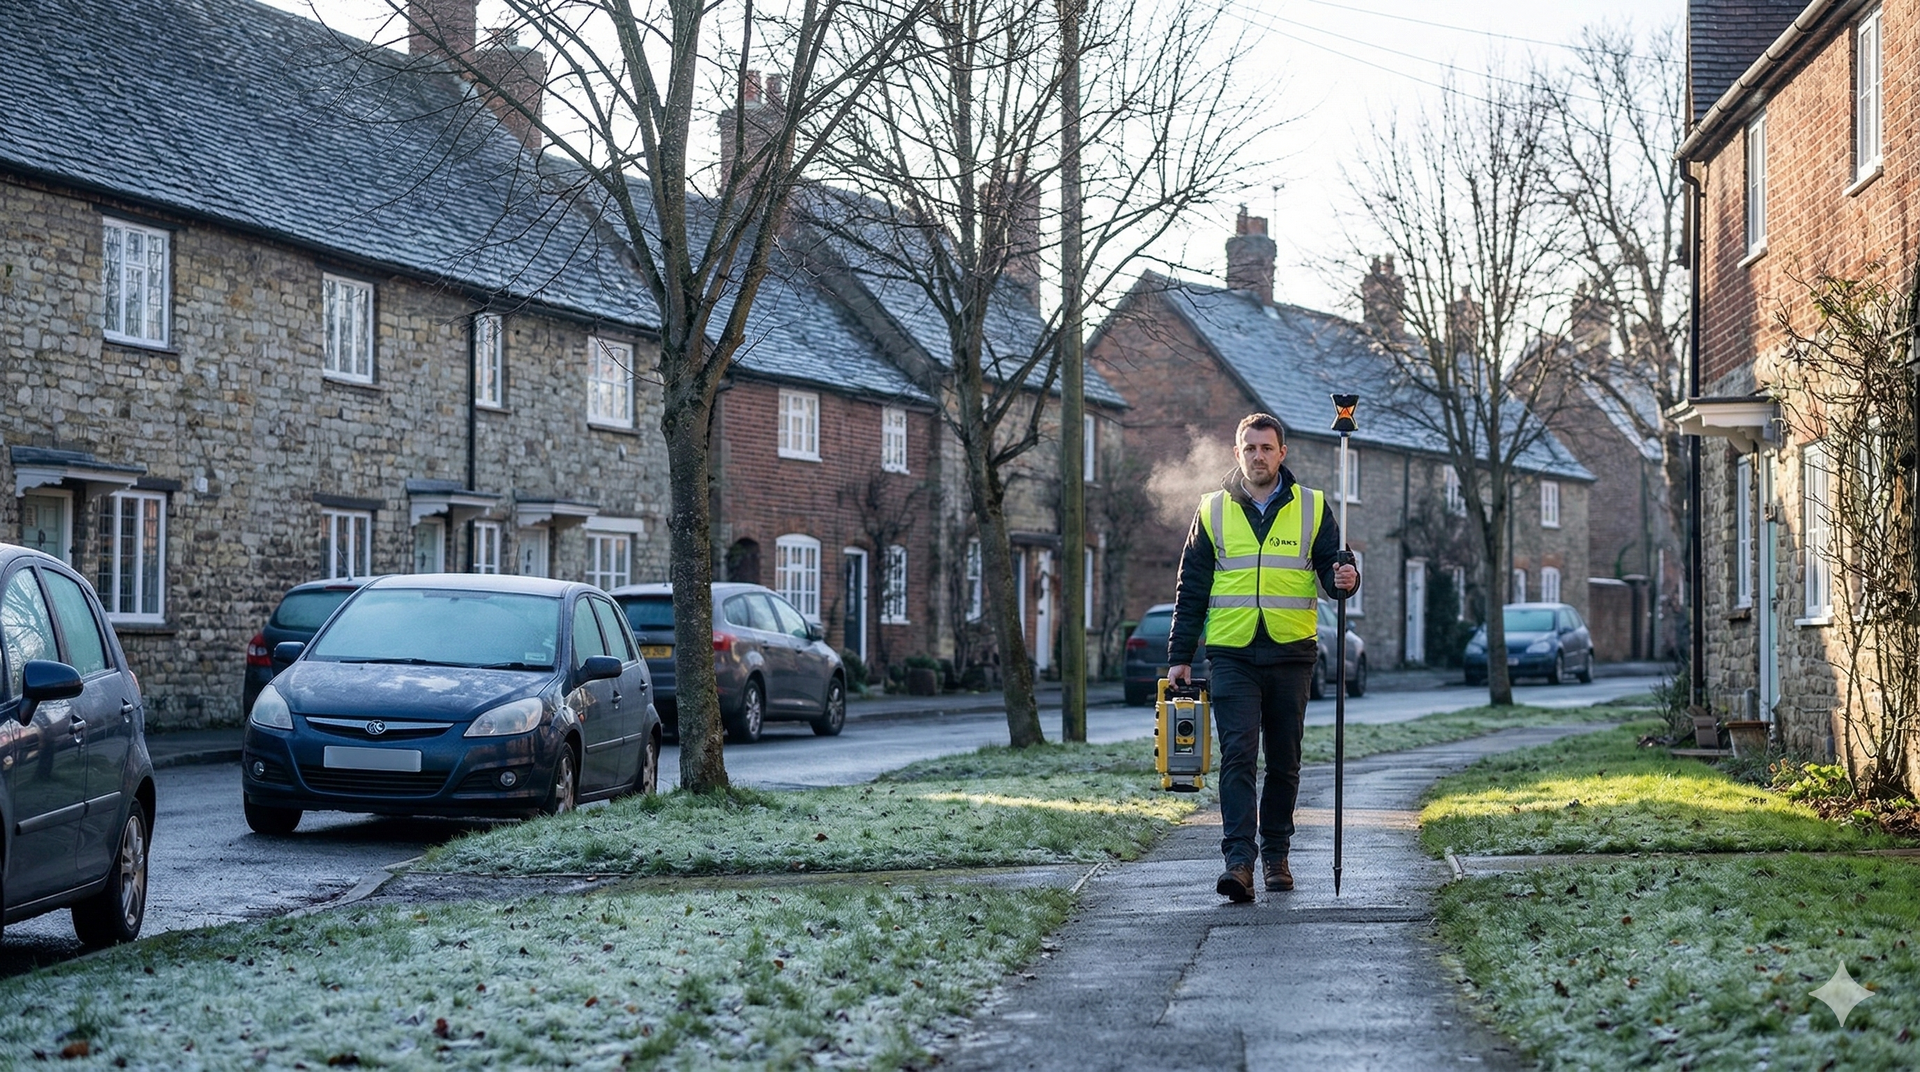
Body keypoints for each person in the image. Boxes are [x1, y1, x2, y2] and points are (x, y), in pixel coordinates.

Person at [1167, 412, 1359, 903]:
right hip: (1231, 653)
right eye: (1249, 448)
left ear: (1281, 453)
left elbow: (1334, 570)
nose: (1258, 456)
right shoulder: (1211, 511)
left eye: (1266, 448)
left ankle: (1276, 854)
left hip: (1291, 654)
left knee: (1285, 761)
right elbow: (1192, 587)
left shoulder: (1313, 508)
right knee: (1237, 756)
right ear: (1238, 454)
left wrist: (1348, 578)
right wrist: (1180, 656)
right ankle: (1239, 862)